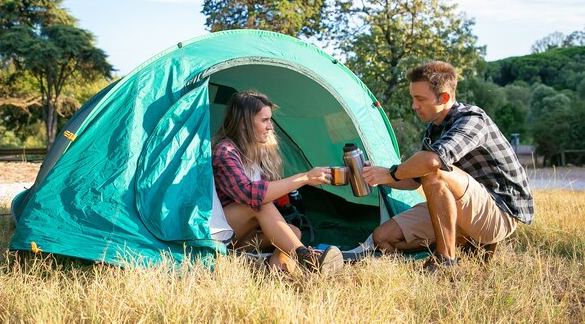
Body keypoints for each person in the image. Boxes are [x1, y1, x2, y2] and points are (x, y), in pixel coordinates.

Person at [362, 61, 534, 271]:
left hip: (498, 213)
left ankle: (445, 261)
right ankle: (461, 243)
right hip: (460, 208)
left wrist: (393, 172)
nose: (414, 106)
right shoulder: (434, 128)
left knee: (435, 171)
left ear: (444, 98)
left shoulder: (472, 119)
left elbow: (432, 163)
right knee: (383, 237)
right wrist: (378, 177)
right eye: (413, 98)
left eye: (420, 99)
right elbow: (412, 181)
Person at [212, 90, 344, 274]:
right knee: (259, 204)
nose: (270, 127)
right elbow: (249, 194)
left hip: (244, 237)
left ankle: (280, 275)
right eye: (264, 120)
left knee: (293, 232)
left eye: (270, 120)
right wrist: (305, 178)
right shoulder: (225, 151)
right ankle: (308, 258)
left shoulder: (259, 154)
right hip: (219, 234)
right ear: (244, 123)